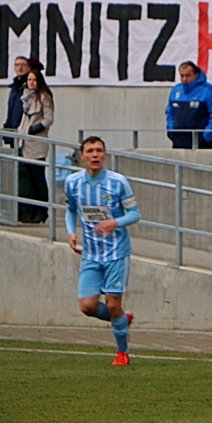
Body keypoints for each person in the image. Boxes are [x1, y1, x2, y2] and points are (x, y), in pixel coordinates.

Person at [65, 136, 141, 366]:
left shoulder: (118, 182)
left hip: (117, 253)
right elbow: (70, 210)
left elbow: (135, 213)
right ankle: (122, 318)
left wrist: (114, 223)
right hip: (90, 254)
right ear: (82, 156)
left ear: (105, 155)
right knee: (87, 306)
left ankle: (122, 352)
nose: (95, 155)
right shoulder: (73, 183)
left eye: (99, 150)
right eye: (90, 151)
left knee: (111, 304)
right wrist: (71, 232)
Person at [17, 70, 54, 224]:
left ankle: (42, 210)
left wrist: (36, 128)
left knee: (38, 178)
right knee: (30, 179)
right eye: (29, 79)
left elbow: (49, 118)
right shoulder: (26, 96)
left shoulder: (44, 97)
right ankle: (32, 211)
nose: (31, 82)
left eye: (34, 79)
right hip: (25, 141)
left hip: (37, 141)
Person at [165, 62, 212, 149]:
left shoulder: (208, 90)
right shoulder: (176, 90)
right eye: (182, 76)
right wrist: (171, 132)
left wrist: (206, 137)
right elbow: (170, 113)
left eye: (188, 75)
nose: (184, 79)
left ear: (196, 74)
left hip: (202, 144)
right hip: (179, 142)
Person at [3, 56, 29, 145]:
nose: (20, 67)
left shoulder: (30, 88)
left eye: (23, 65)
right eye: (17, 65)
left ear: (28, 68)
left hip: (25, 133)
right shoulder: (14, 88)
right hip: (13, 132)